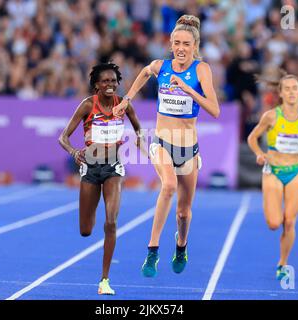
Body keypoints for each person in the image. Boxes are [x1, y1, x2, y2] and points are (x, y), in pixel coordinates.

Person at [113, 15, 220, 277]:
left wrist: (187, 88)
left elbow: (214, 110)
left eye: (186, 43)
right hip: (161, 142)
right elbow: (144, 72)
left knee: (184, 214)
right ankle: (152, 251)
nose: (181, 48)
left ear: (194, 46)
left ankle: (181, 245)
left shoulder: (201, 70)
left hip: (188, 149)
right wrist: (127, 99)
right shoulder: (162, 66)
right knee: (168, 185)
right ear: (171, 44)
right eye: (176, 43)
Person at [59, 62, 143, 294]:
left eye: (114, 81)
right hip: (91, 169)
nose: (110, 85)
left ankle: (104, 280)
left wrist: (140, 139)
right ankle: (93, 205)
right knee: (85, 230)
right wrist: (74, 152)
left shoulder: (124, 105)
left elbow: (138, 128)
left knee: (111, 222)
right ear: (96, 85)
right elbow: (63, 137)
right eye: (105, 81)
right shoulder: (87, 106)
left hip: (114, 167)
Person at [247, 74, 298, 280]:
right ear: (280, 93)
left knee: (289, 222)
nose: (291, 92)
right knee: (274, 223)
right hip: (273, 170)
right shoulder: (271, 116)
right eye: (287, 88)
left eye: (294, 88)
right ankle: (277, 219)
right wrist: (259, 153)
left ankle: (282, 263)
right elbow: (252, 137)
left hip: (297, 171)